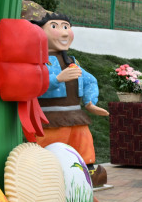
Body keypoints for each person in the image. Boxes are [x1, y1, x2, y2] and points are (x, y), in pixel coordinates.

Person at [30, 11, 109, 182]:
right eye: (54, 26)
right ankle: (47, 176)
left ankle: (87, 171)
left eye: (66, 27)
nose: (64, 33)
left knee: (83, 141)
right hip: (50, 117)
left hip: (76, 116)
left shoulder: (72, 62)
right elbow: (32, 82)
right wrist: (57, 79)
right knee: (51, 146)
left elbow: (90, 81)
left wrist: (90, 101)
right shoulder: (36, 61)